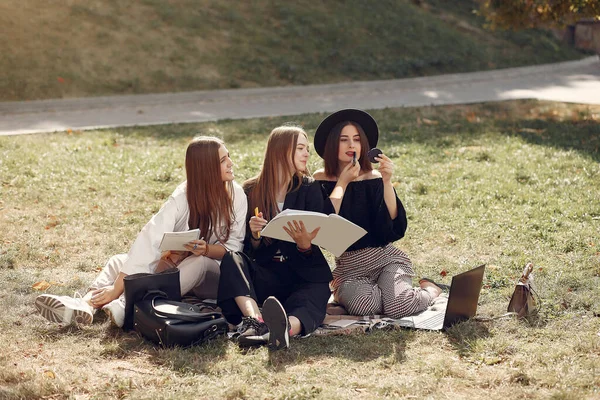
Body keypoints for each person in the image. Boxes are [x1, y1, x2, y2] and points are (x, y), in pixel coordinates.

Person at [35, 136, 247, 327]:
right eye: (222, 160)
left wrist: (206, 249)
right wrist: (169, 255)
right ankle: (86, 305)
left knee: (198, 262)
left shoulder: (236, 195)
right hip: (177, 270)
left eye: (228, 157)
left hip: (214, 276)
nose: (231, 163)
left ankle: (126, 303)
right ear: (206, 168)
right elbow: (151, 238)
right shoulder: (182, 196)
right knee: (119, 260)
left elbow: (234, 250)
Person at [312, 109, 441, 319]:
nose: (351, 145)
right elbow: (325, 226)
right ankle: (383, 294)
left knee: (398, 308)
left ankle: (430, 290)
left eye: (356, 139)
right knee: (365, 307)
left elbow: (393, 225)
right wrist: (343, 182)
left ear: (364, 145)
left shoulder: (373, 177)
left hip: (386, 258)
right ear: (332, 144)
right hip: (350, 267)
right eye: (344, 140)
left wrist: (387, 181)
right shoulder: (320, 178)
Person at [217, 125, 332, 350]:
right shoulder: (251, 190)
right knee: (232, 259)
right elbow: (246, 249)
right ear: (280, 151)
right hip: (267, 275)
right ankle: (256, 321)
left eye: (306, 148)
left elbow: (323, 237)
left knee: (316, 293)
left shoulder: (310, 189)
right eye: (300, 148)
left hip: (303, 275)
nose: (307, 154)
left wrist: (304, 246)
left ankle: (285, 330)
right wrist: (255, 236)